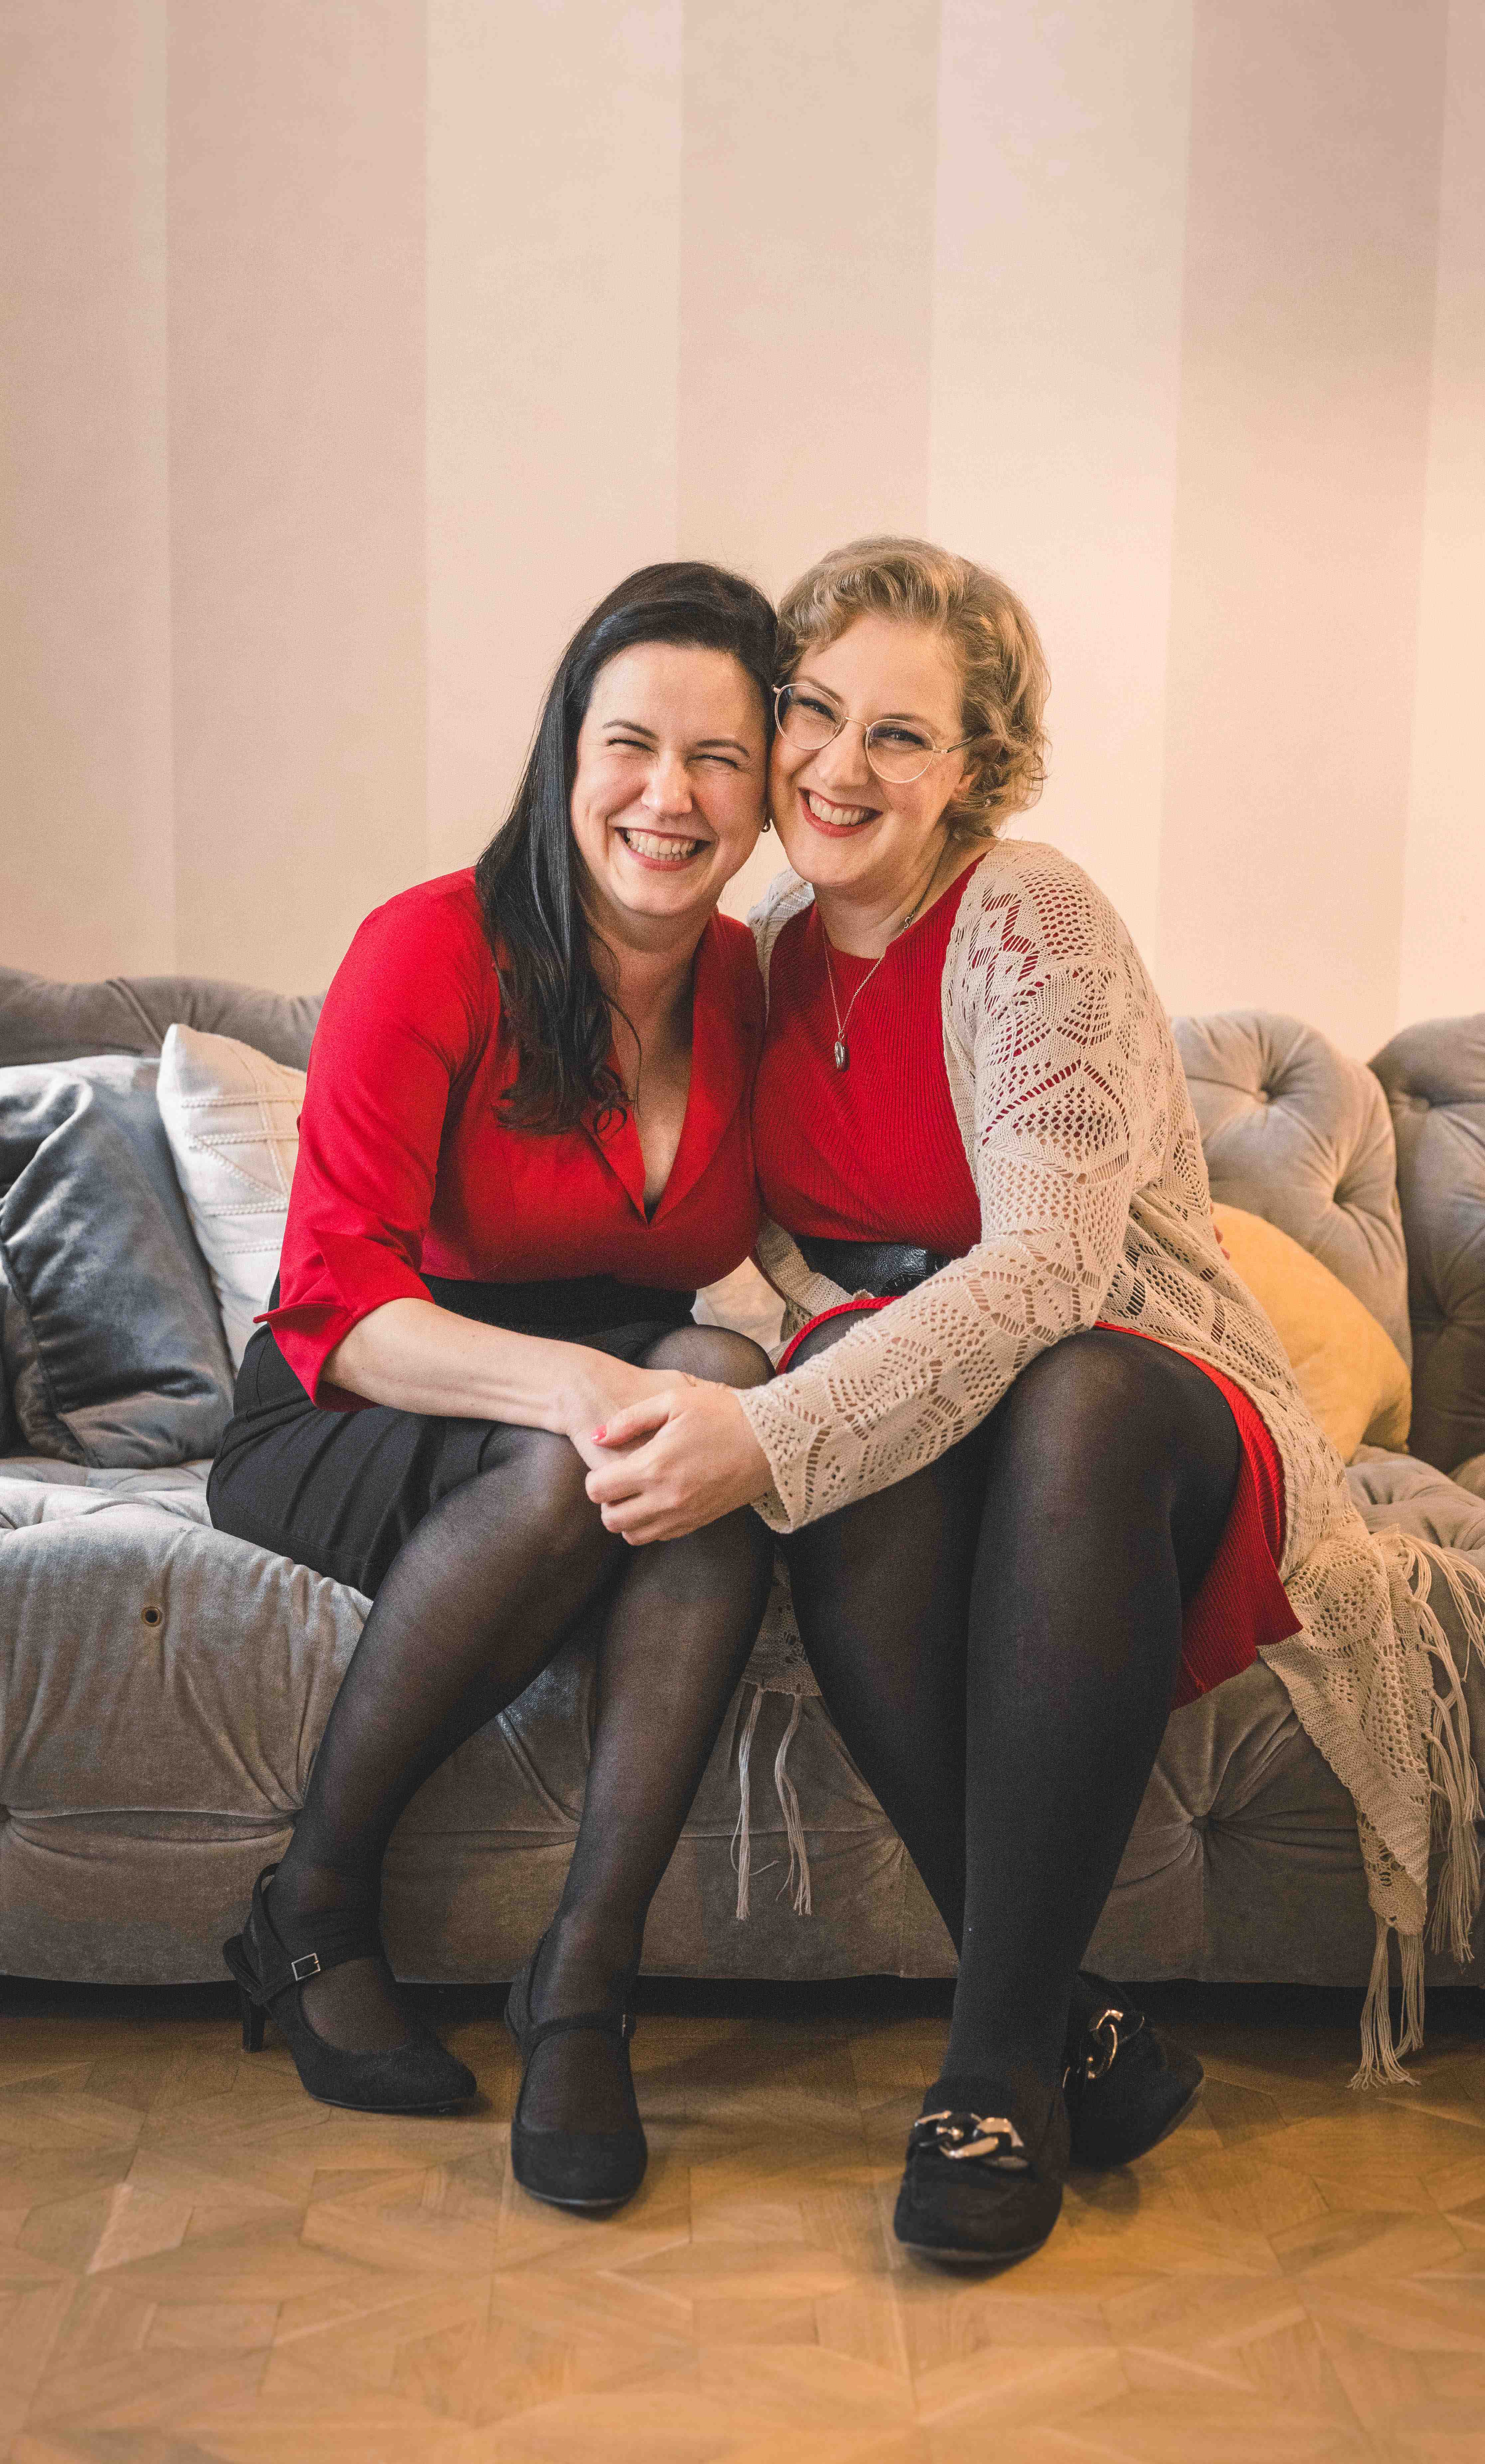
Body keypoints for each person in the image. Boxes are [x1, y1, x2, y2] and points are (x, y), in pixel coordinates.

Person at [584, 537, 1483, 2270]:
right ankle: (1083, 2031)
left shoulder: (1031, 917)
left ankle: (993, 2071)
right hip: (946, 1401)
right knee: (858, 1452)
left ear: (972, 768)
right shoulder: (763, 950)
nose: (840, 767)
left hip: (1147, 1401)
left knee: (1065, 1400)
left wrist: (769, 1435)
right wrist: (777, 1375)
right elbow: (772, 1259)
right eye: (814, 713)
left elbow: (1054, 1271)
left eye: (901, 737)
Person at [209, 562, 779, 2212]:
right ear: (566, 752)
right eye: (631, 745)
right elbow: (335, 1299)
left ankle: (584, 1976)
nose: (669, 795)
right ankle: (312, 1903)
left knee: (711, 1420)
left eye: (720, 758)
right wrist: (588, 1390)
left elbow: (821, 1236)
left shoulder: (756, 986)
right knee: (600, 1447)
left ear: (768, 793)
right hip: (364, 1389)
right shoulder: (432, 946)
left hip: (603, 1378)